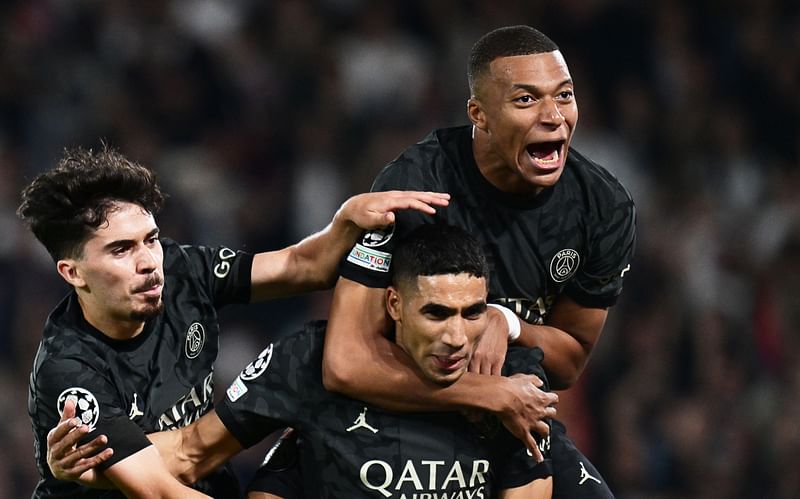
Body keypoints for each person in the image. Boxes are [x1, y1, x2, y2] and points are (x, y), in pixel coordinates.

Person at [18, 144, 452, 498]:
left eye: (150, 240)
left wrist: (345, 221)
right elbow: (161, 493)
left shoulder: (183, 271)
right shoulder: (71, 370)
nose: (149, 262)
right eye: (121, 250)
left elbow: (302, 266)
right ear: (72, 273)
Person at [322, 25, 636, 498]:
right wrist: (485, 392)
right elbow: (346, 363)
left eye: (564, 96)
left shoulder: (602, 206)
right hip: (403, 405)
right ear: (479, 114)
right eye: (526, 100)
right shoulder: (413, 188)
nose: (554, 117)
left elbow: (570, 360)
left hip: (512, 417)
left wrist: (505, 321)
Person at [50, 224, 556, 498]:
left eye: (473, 314)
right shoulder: (306, 361)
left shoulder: (512, 379)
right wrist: (90, 466)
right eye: (437, 313)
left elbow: (531, 488)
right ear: (394, 305)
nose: (456, 336)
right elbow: (189, 450)